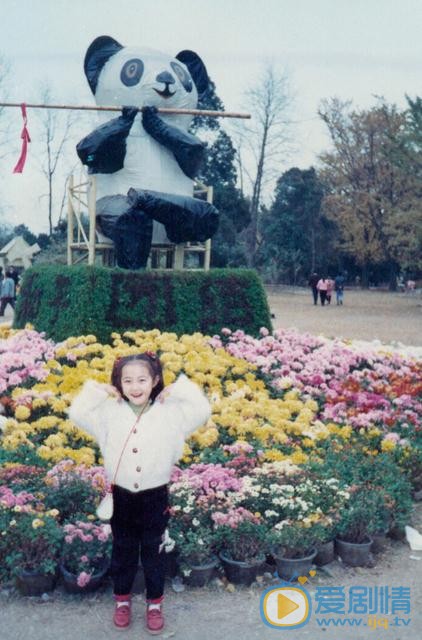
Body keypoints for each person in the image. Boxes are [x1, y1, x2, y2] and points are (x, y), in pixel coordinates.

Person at [68, 352, 211, 634]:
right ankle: (122, 600)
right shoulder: (109, 413)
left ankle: (154, 603)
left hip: (155, 497)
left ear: (155, 380)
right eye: (127, 380)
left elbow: (202, 411)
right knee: (123, 550)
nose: (135, 386)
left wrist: (179, 390)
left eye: (142, 380)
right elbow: (77, 413)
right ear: (119, 383)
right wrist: (99, 392)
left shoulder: (170, 413)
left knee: (153, 551)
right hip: (121, 497)